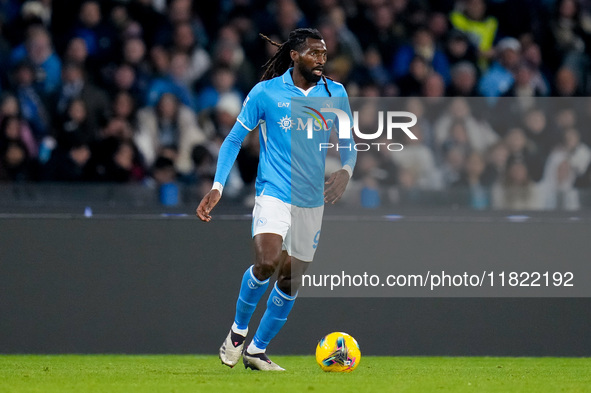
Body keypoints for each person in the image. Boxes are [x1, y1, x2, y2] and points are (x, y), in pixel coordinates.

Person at [196, 28, 356, 371]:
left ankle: (257, 351)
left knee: (289, 279)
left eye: (324, 54)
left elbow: (349, 143)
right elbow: (234, 140)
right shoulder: (265, 93)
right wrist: (217, 187)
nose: (321, 60)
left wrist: (346, 171)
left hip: (312, 202)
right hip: (274, 193)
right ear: (295, 55)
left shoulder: (336, 93)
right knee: (267, 262)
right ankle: (238, 332)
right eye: (314, 53)